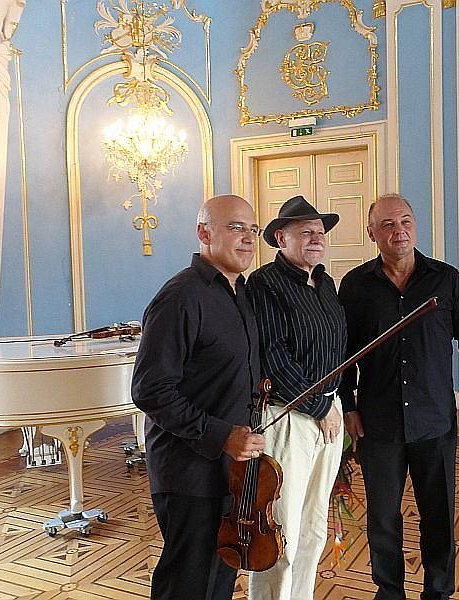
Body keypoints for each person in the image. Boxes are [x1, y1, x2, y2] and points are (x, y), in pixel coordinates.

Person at [338, 193, 459, 600]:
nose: (399, 231)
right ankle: (389, 592)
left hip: (434, 421)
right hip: (378, 423)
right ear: (371, 233)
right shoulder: (355, 285)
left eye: (405, 221)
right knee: (383, 519)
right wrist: (349, 405)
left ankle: (438, 593)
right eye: (388, 224)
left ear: (415, 226)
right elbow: (343, 354)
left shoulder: (446, 279)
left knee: (438, 516)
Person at [131, 194, 267, 600]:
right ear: (203, 233)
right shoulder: (180, 297)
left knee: (219, 577)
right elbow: (150, 390)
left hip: (232, 469)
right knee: (187, 584)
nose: (248, 238)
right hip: (189, 472)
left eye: (253, 229)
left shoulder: (240, 293)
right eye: (236, 227)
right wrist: (222, 435)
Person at [246, 195, 347, 600]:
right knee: (282, 527)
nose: (316, 238)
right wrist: (321, 407)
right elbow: (273, 355)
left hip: (328, 414)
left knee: (314, 525)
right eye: (306, 232)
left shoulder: (325, 284)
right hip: (290, 417)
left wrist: (334, 405)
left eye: (319, 232)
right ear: (280, 238)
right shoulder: (264, 284)